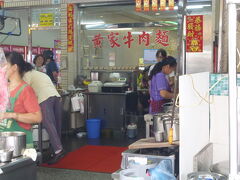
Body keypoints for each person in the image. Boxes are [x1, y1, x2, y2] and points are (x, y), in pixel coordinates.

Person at [0, 52, 42, 148]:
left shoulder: (25, 90)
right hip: (3, 141)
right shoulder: (3, 88)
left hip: (20, 144)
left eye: (4, 65)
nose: (1, 68)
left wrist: (10, 115)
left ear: (14, 67)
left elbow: (37, 117)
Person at [23, 69, 64, 164]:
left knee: (48, 123)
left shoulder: (26, 74)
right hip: (56, 96)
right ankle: (57, 149)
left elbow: (25, 90)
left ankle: (58, 150)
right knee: (56, 124)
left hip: (44, 98)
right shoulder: (40, 74)